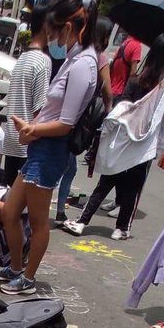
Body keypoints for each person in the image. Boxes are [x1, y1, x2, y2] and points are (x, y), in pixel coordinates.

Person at [0, 0, 99, 296]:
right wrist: (31, 130)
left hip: (52, 149)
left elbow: (65, 123)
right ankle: (15, 268)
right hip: (39, 146)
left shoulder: (83, 65)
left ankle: (27, 278)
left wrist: (33, 128)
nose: (52, 38)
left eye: (54, 32)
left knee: (39, 221)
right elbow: (53, 109)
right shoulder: (73, 60)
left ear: (69, 27)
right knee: (10, 212)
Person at [63, 34, 164, 240]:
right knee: (134, 186)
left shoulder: (137, 80)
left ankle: (81, 222)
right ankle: (122, 228)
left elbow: (122, 106)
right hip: (145, 145)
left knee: (106, 181)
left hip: (122, 139)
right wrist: (161, 148)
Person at [54, 17, 114, 225]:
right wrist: (109, 112)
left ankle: (57, 209)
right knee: (65, 167)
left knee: (65, 166)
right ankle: (55, 210)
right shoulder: (97, 58)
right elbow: (108, 91)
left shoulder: (78, 54)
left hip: (66, 117)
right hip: (79, 121)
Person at [2, 6, 51, 187]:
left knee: (9, 196)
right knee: (22, 200)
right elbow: (40, 110)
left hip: (12, 140)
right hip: (27, 144)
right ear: (47, 25)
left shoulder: (23, 58)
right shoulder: (42, 61)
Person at [110, 29, 142, 99]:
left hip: (111, 89)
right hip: (120, 92)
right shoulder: (137, 45)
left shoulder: (125, 43)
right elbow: (133, 72)